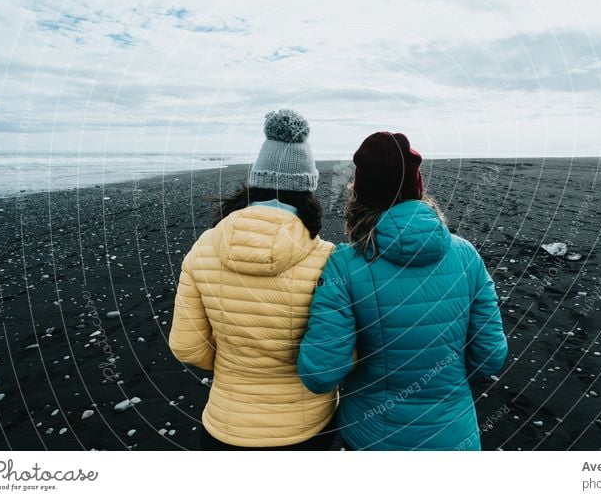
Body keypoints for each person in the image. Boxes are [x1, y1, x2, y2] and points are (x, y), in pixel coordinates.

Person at [297, 131, 508, 450]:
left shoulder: (344, 264)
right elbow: (490, 357)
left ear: (359, 193)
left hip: (374, 438)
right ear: (418, 188)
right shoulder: (466, 255)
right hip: (455, 437)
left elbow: (321, 374)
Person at [169, 109, 338, 450]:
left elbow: (187, 346)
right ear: (308, 188)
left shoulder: (204, 247)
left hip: (225, 425)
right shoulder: (330, 259)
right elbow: (336, 356)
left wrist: (236, 362)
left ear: (256, 181)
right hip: (306, 429)